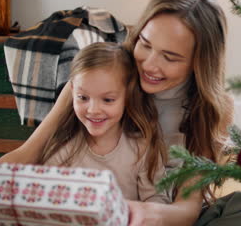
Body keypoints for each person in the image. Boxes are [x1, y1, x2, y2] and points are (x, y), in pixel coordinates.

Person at [0, 0, 241, 225]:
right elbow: (29, 153)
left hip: (163, 218)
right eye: (145, 44)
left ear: (198, 63)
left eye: (170, 57)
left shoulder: (212, 109)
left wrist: (143, 214)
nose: (149, 65)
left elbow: (187, 208)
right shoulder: (100, 82)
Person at [39, 42, 168, 203]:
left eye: (107, 100)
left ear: (128, 96)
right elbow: (47, 198)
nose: (93, 110)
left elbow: (157, 199)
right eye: (83, 98)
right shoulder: (63, 147)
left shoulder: (141, 148)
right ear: (72, 91)